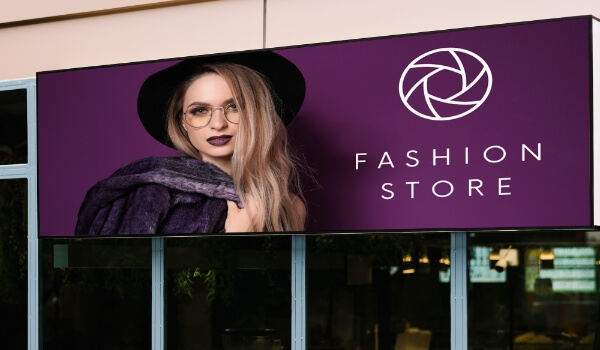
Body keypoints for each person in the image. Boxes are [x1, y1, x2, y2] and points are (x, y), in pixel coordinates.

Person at [75, 51, 306, 235]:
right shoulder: (152, 190)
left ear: (258, 114)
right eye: (199, 110)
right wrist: (236, 239)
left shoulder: (289, 206)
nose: (218, 124)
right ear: (182, 122)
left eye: (234, 106)